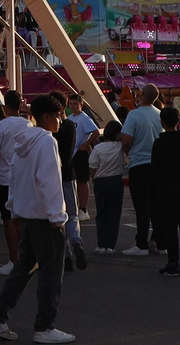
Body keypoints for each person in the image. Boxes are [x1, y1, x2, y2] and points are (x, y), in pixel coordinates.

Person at [0, 95, 73, 344]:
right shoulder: (47, 142)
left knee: (24, 268)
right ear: (45, 117)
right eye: (58, 116)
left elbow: (14, 177)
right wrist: (58, 216)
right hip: (45, 218)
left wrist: (14, 208)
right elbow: (50, 180)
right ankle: (44, 326)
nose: (60, 121)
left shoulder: (22, 144)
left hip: (27, 215)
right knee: (51, 273)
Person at [150, 106, 180, 278]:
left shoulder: (159, 143)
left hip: (166, 189)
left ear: (162, 123)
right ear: (178, 121)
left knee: (169, 226)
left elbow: (155, 168)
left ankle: (173, 263)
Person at [118, 84, 163, 257]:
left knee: (141, 206)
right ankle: (159, 242)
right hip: (156, 164)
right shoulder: (159, 115)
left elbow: (127, 140)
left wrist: (128, 151)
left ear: (142, 94)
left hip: (139, 164)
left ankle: (141, 243)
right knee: (156, 205)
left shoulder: (134, 115)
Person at [0, 91, 30, 275]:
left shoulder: (3, 124)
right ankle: (26, 258)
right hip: (23, 177)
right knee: (22, 219)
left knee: (8, 220)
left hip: (5, 177)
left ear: (6, 106)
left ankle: (13, 259)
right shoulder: (28, 124)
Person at [49, 93, 86, 272]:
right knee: (72, 214)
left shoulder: (49, 129)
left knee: (57, 217)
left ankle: (65, 256)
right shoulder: (70, 126)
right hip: (69, 174)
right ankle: (76, 242)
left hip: (53, 176)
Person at [87, 121, 126, 254]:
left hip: (101, 181)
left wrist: (94, 180)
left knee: (101, 213)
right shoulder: (120, 146)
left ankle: (101, 243)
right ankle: (111, 245)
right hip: (116, 180)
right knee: (114, 214)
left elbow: (93, 166)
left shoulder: (98, 148)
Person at [66, 94, 99, 220]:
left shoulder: (84, 118)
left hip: (80, 153)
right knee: (72, 181)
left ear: (81, 105)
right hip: (71, 153)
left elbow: (95, 132)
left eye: (75, 104)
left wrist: (85, 145)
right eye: (71, 104)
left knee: (82, 180)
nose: (73, 106)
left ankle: (83, 209)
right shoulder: (69, 118)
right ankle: (74, 206)